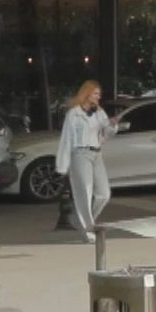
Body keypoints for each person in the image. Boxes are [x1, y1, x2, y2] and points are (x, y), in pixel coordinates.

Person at [56, 80, 115, 243]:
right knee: (85, 193)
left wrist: (112, 125)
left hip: (96, 154)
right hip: (80, 154)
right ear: (87, 94)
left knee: (104, 194)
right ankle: (88, 233)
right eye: (95, 93)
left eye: (99, 94)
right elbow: (66, 139)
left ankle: (85, 222)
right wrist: (62, 165)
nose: (98, 97)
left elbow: (108, 133)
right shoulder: (73, 114)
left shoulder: (99, 112)